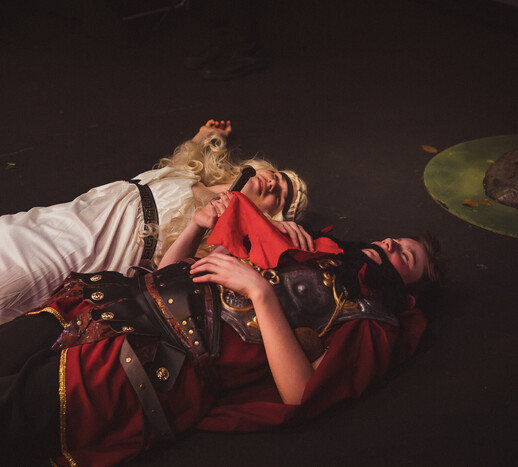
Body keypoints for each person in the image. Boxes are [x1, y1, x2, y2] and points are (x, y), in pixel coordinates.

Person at [0, 190, 442, 465]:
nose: (391, 243)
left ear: (409, 293)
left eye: (407, 256)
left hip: (140, 362)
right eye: (396, 239)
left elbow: (300, 394)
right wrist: (196, 227)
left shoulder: (370, 321)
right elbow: (169, 280)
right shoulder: (313, 248)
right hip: (105, 305)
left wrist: (259, 292)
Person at [0, 120, 309, 323]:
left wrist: (263, 230)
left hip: (82, 252)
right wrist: (207, 137)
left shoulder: (215, 235)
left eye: (280, 197)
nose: (273, 183)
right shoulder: (190, 174)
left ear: (270, 216)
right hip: (53, 219)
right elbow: (184, 159)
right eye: (277, 176)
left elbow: (166, 281)